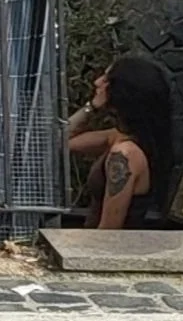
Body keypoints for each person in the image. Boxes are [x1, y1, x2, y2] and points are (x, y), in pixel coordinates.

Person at [67, 56, 175, 229]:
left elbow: (109, 230)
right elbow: (59, 142)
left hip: (100, 249)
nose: (97, 82)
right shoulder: (118, 137)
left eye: (106, 80)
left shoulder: (125, 154)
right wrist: (91, 107)